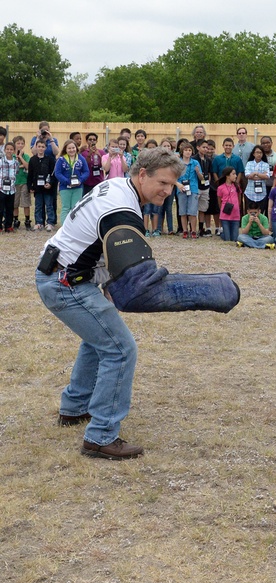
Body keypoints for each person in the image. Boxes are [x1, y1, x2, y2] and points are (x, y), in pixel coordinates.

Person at [35, 147, 184, 459]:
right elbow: (133, 276)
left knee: (99, 340)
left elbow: (100, 247)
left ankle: (75, 408)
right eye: (164, 183)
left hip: (61, 274)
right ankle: (101, 436)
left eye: (172, 186)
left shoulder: (117, 185)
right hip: (65, 282)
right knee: (120, 348)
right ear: (142, 174)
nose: (168, 191)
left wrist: (105, 283)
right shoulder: (123, 210)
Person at [54, 141, 90, 226]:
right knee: (66, 208)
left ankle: (74, 227)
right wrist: (67, 181)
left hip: (78, 187)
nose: (71, 150)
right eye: (69, 148)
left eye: (73, 148)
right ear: (65, 149)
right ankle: (64, 227)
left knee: (76, 208)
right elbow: (57, 173)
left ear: (76, 148)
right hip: (65, 187)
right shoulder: (61, 160)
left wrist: (80, 180)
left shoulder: (81, 159)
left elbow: (86, 171)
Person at [175, 142, 203, 239]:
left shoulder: (195, 163)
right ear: (182, 152)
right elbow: (173, 176)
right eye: (186, 150)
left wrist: (198, 172)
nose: (188, 152)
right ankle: (185, 230)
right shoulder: (178, 163)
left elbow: (201, 178)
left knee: (192, 211)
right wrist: (178, 185)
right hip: (181, 188)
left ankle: (194, 230)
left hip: (193, 188)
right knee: (182, 211)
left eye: (189, 150)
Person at [27, 138, 56, 231]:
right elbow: (30, 174)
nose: (41, 148)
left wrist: (50, 183)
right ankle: (39, 222)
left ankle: (50, 222)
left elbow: (53, 174)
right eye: (39, 146)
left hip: (47, 187)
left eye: (43, 147)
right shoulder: (32, 160)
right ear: (36, 147)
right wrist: (30, 186)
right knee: (38, 205)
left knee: (49, 205)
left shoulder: (50, 160)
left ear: (45, 148)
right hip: (37, 187)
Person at [216, 166, 242, 242]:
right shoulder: (220, 188)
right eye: (233, 174)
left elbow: (239, 198)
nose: (236, 176)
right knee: (227, 239)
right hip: (225, 215)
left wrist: (237, 207)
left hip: (235, 215)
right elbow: (219, 200)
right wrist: (222, 209)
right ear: (227, 176)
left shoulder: (237, 186)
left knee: (234, 239)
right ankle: (222, 233)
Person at [13, 136, 31, 230]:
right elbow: (13, 166)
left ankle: (27, 220)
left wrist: (20, 156)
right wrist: (17, 158)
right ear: (14, 144)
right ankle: (15, 220)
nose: (20, 145)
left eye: (22, 143)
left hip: (24, 181)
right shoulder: (11, 156)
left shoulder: (26, 156)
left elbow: (28, 167)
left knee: (25, 202)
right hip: (14, 182)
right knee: (15, 203)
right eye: (18, 143)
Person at [0, 143, 17, 232]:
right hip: (2, 188)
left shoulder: (16, 162)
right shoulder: (1, 161)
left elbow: (16, 172)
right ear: (4, 150)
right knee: (0, 208)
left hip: (12, 189)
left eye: (11, 149)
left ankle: (8, 225)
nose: (9, 151)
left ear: (14, 151)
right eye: (7, 149)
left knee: (10, 208)